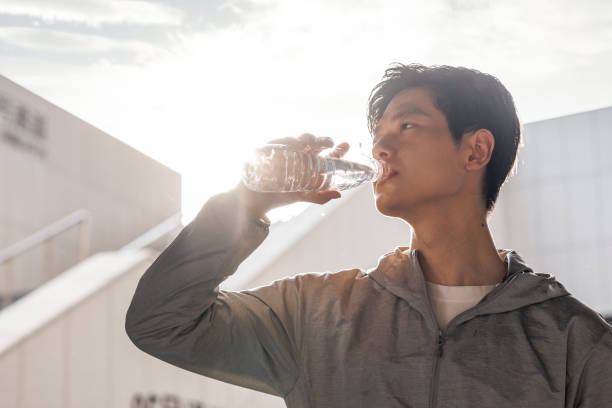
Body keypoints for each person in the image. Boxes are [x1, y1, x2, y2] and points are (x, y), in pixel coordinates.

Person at [125, 63, 612, 407]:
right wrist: (245, 203)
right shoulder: (314, 313)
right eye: (378, 131)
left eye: (406, 124)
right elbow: (161, 323)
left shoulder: (575, 343)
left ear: (475, 150)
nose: (379, 145)